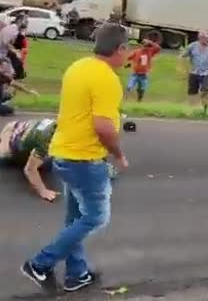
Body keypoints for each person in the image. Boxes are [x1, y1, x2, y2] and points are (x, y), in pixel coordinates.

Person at [21, 23, 128, 293]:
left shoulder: (78, 67)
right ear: (120, 49)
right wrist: (119, 155)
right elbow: (103, 126)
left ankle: (76, 274)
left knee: (75, 218)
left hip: (64, 155)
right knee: (95, 217)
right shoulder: (106, 78)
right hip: (85, 159)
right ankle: (39, 264)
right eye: (127, 49)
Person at [0, 118, 118, 202]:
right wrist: (43, 191)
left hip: (23, 126)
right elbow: (30, 169)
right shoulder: (47, 142)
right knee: (5, 156)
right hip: (13, 139)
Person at [178, 31, 208, 114]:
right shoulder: (193, 46)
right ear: (200, 38)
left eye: (207, 38)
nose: (207, 40)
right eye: (205, 38)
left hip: (206, 73)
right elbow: (184, 55)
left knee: (205, 90)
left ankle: (205, 109)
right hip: (194, 72)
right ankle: (191, 110)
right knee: (192, 92)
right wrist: (181, 57)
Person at [125, 37, 161, 102]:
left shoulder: (150, 51)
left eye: (147, 46)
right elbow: (128, 58)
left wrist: (150, 42)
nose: (145, 47)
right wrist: (127, 64)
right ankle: (125, 100)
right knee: (129, 87)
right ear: (141, 45)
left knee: (142, 89)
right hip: (135, 73)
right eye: (144, 45)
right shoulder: (137, 52)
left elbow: (158, 48)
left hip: (144, 74)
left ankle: (139, 100)